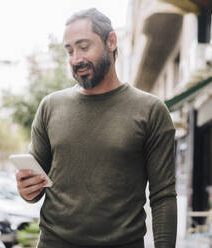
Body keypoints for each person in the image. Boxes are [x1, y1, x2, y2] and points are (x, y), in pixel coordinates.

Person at [15, 8, 177, 248]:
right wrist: (26, 189)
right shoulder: (50, 106)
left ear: (111, 41)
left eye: (83, 47)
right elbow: (36, 187)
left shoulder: (151, 110)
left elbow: (163, 196)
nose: (75, 58)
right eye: (69, 50)